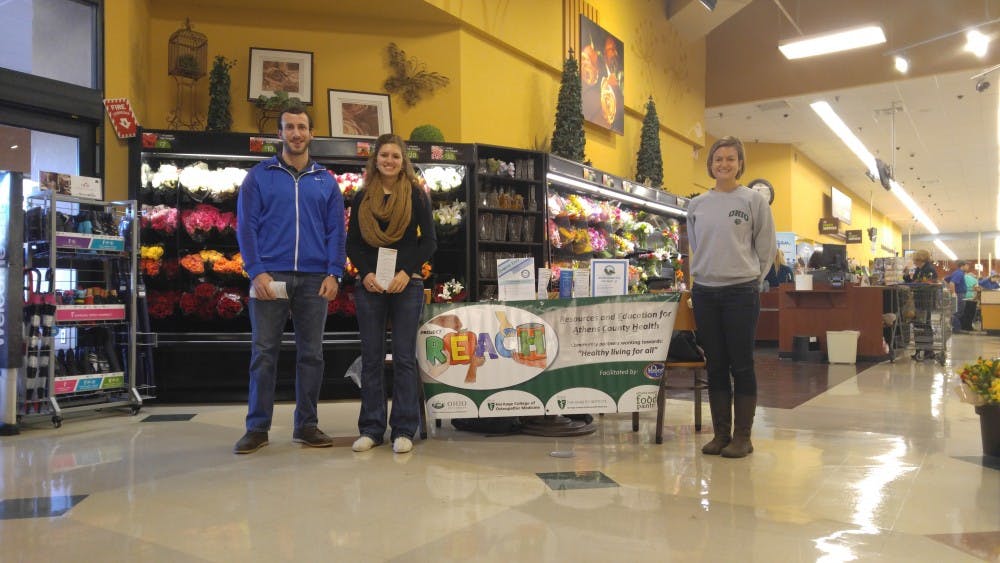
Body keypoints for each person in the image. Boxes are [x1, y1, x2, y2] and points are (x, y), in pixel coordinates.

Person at [233, 106, 346, 454]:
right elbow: (246, 227)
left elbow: (336, 231)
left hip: (314, 279)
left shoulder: (325, 181)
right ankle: (257, 428)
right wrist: (257, 271)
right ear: (280, 134)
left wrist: (334, 271)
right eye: (289, 127)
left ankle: (306, 425)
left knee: (311, 355)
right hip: (270, 277)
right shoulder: (259, 176)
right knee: (264, 353)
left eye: (301, 127)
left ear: (311, 133)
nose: (296, 133)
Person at [687, 136, 776, 459]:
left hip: (741, 292)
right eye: (718, 159)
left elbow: (766, 248)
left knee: (742, 365)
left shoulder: (754, 201)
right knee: (715, 365)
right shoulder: (696, 205)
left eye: (730, 159)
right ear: (710, 164)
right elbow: (698, 245)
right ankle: (721, 434)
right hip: (705, 292)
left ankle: (743, 437)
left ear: (740, 164)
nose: (723, 164)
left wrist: (753, 278)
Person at [347, 133, 436, 455]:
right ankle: (371, 428)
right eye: (384, 155)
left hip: (405, 286)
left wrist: (404, 272)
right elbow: (353, 243)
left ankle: (403, 429)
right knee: (370, 359)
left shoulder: (416, 195)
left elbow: (428, 242)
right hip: (370, 286)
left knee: (404, 358)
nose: (389, 161)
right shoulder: (363, 197)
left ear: (403, 161)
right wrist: (366, 274)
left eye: (395, 156)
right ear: (375, 159)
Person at [946, 261, 970, 331]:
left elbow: (946, 280)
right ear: (962, 266)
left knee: (957, 312)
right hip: (959, 295)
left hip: (960, 294)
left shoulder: (957, 272)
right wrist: (953, 292)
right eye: (967, 265)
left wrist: (949, 290)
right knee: (958, 312)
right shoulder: (959, 273)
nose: (968, 267)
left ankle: (955, 328)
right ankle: (956, 329)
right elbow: (952, 282)